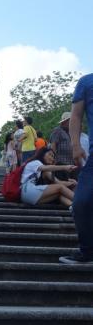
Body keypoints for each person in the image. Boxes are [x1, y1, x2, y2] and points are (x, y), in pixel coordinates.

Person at [59, 73, 93, 264]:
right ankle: (88, 251)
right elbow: (76, 115)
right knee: (80, 203)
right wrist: (76, 145)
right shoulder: (86, 82)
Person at [50, 112, 74, 181]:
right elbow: (53, 145)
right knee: (64, 182)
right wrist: (53, 160)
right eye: (70, 121)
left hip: (70, 163)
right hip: (61, 163)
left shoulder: (68, 132)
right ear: (65, 121)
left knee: (71, 182)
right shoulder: (57, 131)